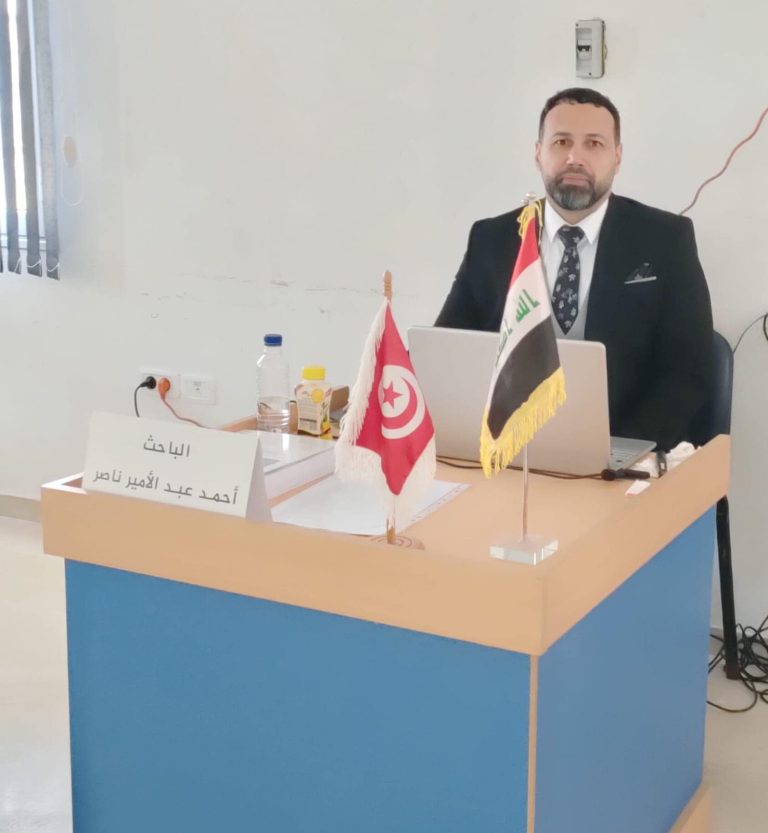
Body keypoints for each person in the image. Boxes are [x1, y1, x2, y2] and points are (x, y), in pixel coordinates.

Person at [435, 88, 713, 451]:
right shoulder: (491, 239)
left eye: (594, 144)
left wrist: (618, 454)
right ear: (538, 153)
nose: (574, 157)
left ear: (617, 156)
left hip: (624, 447)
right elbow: (446, 351)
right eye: (561, 141)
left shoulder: (666, 240)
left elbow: (689, 372)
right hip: (509, 451)